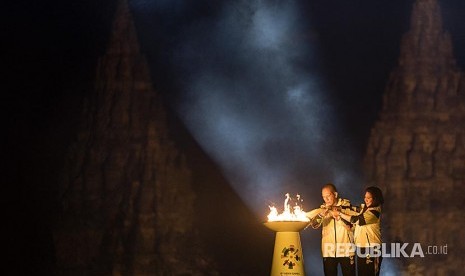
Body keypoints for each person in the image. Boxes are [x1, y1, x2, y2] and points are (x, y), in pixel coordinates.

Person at [306, 183, 356, 276]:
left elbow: (350, 226)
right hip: (328, 252)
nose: (326, 199)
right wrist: (321, 215)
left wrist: (338, 216)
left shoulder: (347, 207)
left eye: (328, 196)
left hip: (346, 251)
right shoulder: (323, 210)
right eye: (323, 197)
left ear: (335, 194)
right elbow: (314, 225)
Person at [333, 186, 384, 276]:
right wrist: (342, 215)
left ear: (375, 198)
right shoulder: (364, 210)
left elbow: (357, 220)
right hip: (361, 248)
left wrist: (340, 213)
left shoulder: (374, 212)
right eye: (365, 197)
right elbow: (355, 217)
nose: (366, 200)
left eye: (369, 198)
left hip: (372, 249)